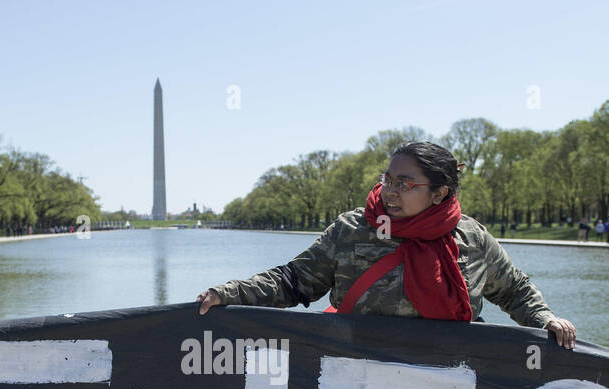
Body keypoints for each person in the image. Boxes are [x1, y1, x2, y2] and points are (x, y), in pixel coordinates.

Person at [195, 141, 577, 349]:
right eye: (387, 179)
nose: (389, 191)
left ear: (439, 192)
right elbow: (292, 281)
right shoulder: (353, 228)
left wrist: (546, 320)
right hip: (352, 386)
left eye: (404, 184)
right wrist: (228, 293)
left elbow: (515, 290)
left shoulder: (472, 238)